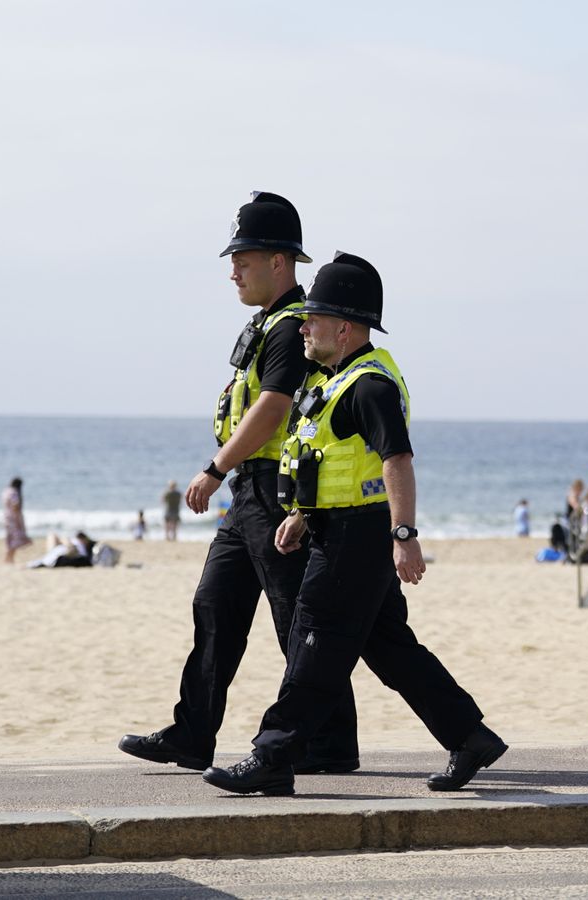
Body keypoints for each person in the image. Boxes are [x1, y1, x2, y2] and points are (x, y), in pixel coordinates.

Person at [202, 251, 504, 797]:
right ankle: (470, 736)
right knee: (390, 648)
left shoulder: (370, 386)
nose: (303, 327)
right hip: (337, 531)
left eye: (314, 319)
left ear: (343, 329)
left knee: (311, 642)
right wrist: (299, 515)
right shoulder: (336, 379)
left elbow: (397, 461)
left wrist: (405, 537)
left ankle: (272, 756)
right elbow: (333, 462)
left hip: (358, 539)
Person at [120, 192, 360, 776]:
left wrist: (215, 467)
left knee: (294, 621)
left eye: (244, 259)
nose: (233, 270)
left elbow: (274, 408)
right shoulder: (267, 325)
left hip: (273, 493)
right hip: (248, 496)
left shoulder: (289, 328)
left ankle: (329, 744)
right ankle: (192, 733)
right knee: (215, 606)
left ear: (280, 262)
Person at [1, 477, 32, 564]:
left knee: (9, 539)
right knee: (15, 540)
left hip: (6, 517)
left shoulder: (6, 491)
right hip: (13, 519)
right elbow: (16, 506)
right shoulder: (14, 493)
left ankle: (8, 559)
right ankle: (9, 558)